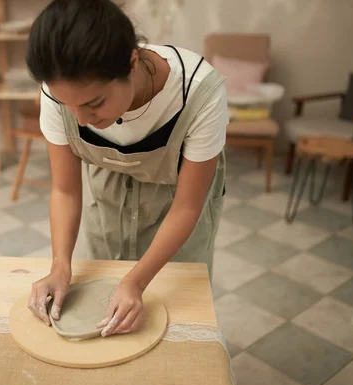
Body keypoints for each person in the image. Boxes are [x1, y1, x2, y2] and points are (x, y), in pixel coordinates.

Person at [25, 0, 228, 338]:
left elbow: (188, 206)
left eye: (94, 103)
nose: (82, 120)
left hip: (176, 213)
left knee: (174, 328)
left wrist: (136, 280)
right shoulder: (58, 89)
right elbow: (65, 190)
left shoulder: (199, 93)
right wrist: (61, 264)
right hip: (107, 206)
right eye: (67, 106)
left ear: (132, 62)